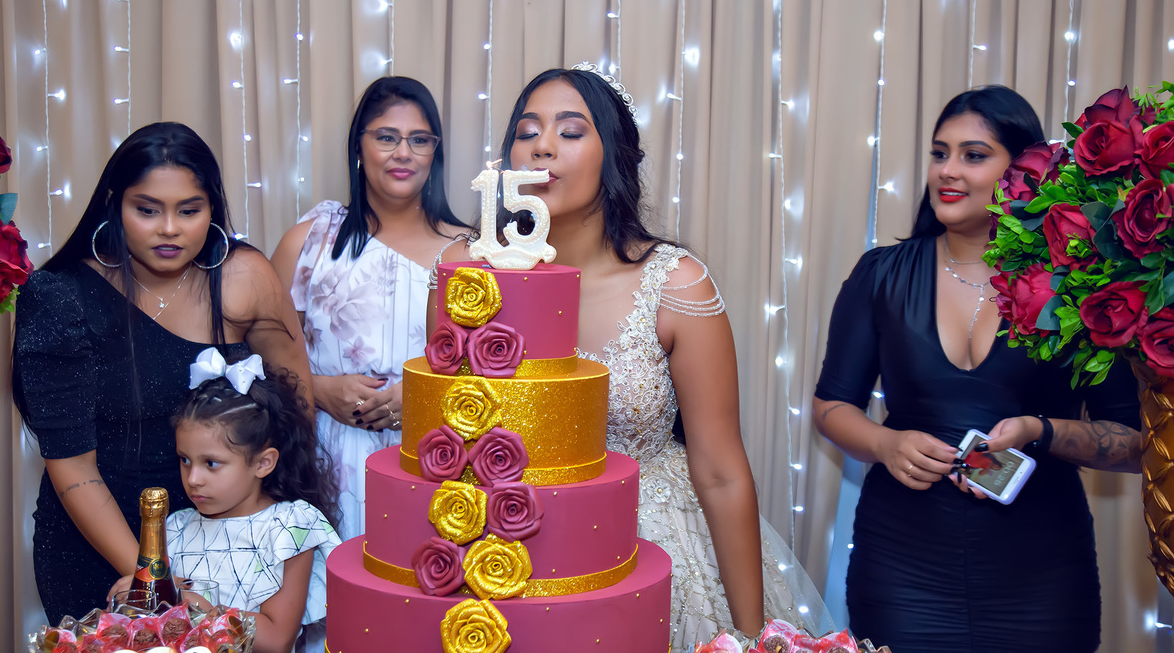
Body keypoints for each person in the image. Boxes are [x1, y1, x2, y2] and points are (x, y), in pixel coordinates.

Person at [431, 64, 832, 651]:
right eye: (526, 132)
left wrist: (751, 638)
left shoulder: (676, 285)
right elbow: (444, 425)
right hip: (500, 548)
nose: (542, 147)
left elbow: (720, 471)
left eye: (571, 131)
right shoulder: (466, 273)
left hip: (645, 545)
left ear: (615, 155)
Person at [812, 85, 1142, 652]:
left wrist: (1040, 431)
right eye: (940, 153)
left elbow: (1134, 444)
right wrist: (886, 444)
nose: (948, 170)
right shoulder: (880, 274)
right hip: (901, 569)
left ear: (1023, 171)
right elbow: (831, 406)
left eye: (974, 155)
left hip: (1041, 575)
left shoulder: (1081, 286)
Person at [13, 122, 312, 623]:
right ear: (115, 205)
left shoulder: (244, 277)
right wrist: (152, 574)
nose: (169, 228)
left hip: (227, 537)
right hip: (99, 541)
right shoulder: (58, 295)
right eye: (147, 210)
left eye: (189, 211)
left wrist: (270, 529)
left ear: (212, 208)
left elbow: (294, 404)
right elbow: (72, 465)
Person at [271, 76, 469, 540]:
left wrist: (421, 396)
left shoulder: (468, 252)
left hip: (435, 461)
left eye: (419, 140)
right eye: (386, 137)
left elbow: (494, 376)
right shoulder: (311, 241)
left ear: (434, 153)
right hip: (323, 462)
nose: (404, 153)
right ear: (359, 146)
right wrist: (318, 389)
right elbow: (260, 358)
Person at [109, 349, 341, 653]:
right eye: (185, 460)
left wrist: (190, 602)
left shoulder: (289, 528)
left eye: (211, 463)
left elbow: (277, 639)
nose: (193, 478)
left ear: (263, 463)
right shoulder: (177, 528)